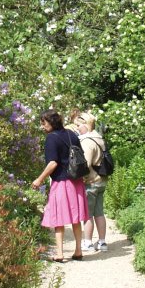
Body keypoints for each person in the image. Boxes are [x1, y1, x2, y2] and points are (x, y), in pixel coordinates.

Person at [31, 109, 89, 262]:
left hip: (62, 183)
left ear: (51, 123)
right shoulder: (72, 134)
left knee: (59, 219)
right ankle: (78, 251)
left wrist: (39, 179)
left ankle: (59, 254)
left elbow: (52, 163)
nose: (42, 127)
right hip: (76, 181)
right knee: (75, 218)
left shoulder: (51, 138)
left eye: (44, 123)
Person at [76, 112, 109, 252]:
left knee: (88, 214)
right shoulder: (99, 138)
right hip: (101, 180)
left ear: (86, 124)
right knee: (99, 212)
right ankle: (102, 242)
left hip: (91, 182)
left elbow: (86, 164)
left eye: (78, 125)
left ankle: (88, 242)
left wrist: (78, 176)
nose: (77, 128)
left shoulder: (88, 141)